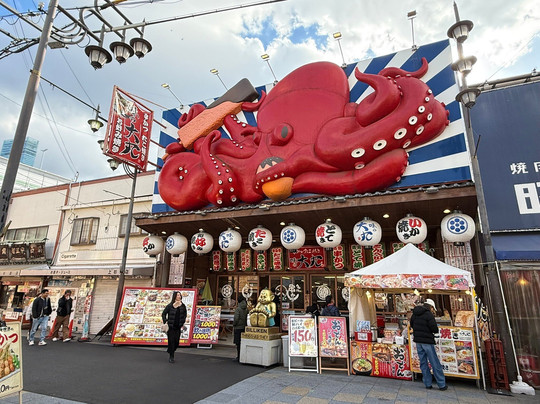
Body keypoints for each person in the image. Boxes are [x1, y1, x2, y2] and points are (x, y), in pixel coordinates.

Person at [410, 298, 447, 390]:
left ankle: (427, 383)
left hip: (418, 341)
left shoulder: (415, 314)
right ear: (431, 307)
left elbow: (412, 325)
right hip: (427, 341)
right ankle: (441, 384)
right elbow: (434, 328)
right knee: (434, 362)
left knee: (423, 362)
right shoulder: (428, 314)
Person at [161, 292, 187, 363]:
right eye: (178, 295)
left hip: (178, 327)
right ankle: (171, 356)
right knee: (171, 341)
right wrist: (165, 321)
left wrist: (182, 322)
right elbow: (164, 313)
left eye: (180, 295)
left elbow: (185, 314)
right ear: (174, 296)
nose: (179, 296)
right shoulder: (170, 305)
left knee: (176, 342)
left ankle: (170, 350)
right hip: (171, 327)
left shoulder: (183, 306)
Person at [233, 295, 248, 361]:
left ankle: (238, 356)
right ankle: (242, 356)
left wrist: (234, 324)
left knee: (238, 343)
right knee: (242, 342)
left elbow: (236, 318)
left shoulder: (238, 309)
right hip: (244, 327)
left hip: (238, 327)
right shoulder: (246, 309)